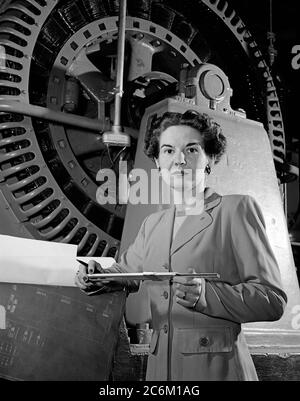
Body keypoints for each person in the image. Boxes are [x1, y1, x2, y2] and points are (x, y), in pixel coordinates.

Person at [75, 110, 287, 381]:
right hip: (160, 371)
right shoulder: (153, 224)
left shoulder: (236, 210)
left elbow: (272, 300)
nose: (179, 160)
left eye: (191, 149)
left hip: (217, 371)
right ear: (157, 162)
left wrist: (207, 296)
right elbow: (125, 273)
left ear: (209, 159)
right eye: (168, 150)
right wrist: (97, 277)